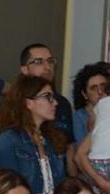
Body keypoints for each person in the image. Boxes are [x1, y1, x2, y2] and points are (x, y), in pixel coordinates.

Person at [0, 75, 66, 194]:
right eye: (48, 97)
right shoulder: (9, 140)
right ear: (28, 103)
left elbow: (61, 187)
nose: (55, 103)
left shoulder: (51, 140)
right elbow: (8, 190)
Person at [19, 43, 75, 177]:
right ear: (24, 69)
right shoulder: (15, 103)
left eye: (50, 61)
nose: (47, 67)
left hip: (59, 175)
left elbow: (69, 147)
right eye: (38, 62)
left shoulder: (62, 103)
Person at [70, 62, 110, 144]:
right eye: (94, 88)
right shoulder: (79, 117)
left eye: (103, 86)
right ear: (85, 95)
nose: (100, 91)